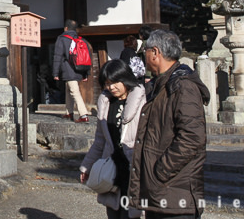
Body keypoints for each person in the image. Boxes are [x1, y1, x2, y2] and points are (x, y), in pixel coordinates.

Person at [128, 29, 210, 218]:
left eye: (146, 51)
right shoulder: (160, 85)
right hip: (159, 193)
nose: (144, 56)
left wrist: (160, 171)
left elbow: (192, 137)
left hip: (175, 193)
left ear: (155, 53)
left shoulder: (182, 86)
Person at [80, 59, 145, 219]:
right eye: (107, 83)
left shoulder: (142, 103)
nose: (111, 87)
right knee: (113, 214)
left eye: (115, 82)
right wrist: (86, 166)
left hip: (135, 169)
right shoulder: (106, 102)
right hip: (113, 169)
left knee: (131, 215)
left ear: (126, 79)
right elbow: (100, 140)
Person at [53, 19, 90, 122]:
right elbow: (87, 57)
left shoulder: (62, 39)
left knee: (74, 91)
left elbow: (58, 57)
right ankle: (69, 112)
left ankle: (83, 115)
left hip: (68, 69)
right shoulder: (81, 39)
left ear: (66, 28)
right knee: (68, 89)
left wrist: (55, 73)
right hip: (79, 69)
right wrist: (86, 73)